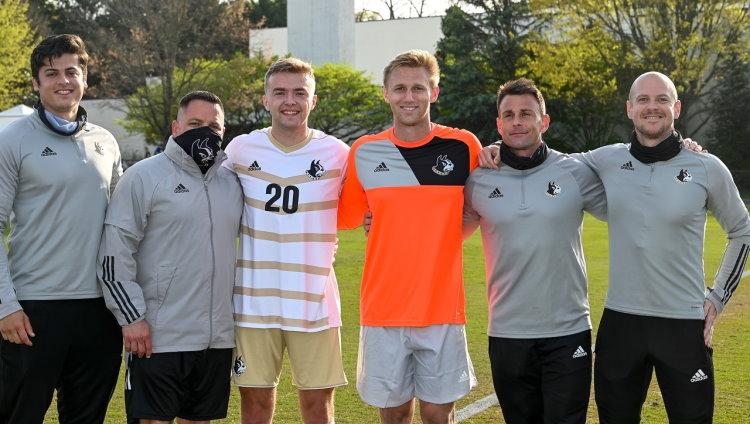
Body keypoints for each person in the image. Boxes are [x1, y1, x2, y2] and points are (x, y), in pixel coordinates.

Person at [481, 71, 750, 422]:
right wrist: (497, 148)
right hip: (621, 325)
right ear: (629, 108)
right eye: (643, 100)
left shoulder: (706, 166)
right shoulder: (603, 160)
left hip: (684, 324)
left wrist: (716, 298)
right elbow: (542, 158)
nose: (651, 107)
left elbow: (742, 231)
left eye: (661, 100)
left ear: (677, 108)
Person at [337, 50, 480, 424]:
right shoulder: (365, 151)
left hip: (442, 307)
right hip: (384, 308)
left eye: (418, 87)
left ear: (434, 92)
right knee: (395, 415)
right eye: (399, 88)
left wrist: (442, 237)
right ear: (386, 93)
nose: (409, 96)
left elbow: (479, 210)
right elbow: (350, 215)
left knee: (437, 415)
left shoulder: (464, 147)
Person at [462, 78, 606, 424]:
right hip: (508, 333)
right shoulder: (479, 179)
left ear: (544, 121)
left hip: (567, 329)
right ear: (498, 124)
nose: (517, 121)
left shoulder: (575, 171)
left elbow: (632, 207)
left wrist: (682, 149)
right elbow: (444, 233)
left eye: (527, 113)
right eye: (508, 115)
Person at [96, 91, 243, 424]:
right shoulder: (144, 176)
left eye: (213, 126)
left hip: (217, 339)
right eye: (195, 123)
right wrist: (131, 317)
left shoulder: (231, 181)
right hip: (157, 337)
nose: (204, 132)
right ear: (176, 127)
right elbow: (114, 253)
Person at [0, 34, 123, 423]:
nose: (63, 81)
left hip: (100, 311)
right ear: (36, 83)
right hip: (32, 311)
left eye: (72, 71)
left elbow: (124, 228)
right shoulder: (11, 141)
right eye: (51, 73)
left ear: (85, 78)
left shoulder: (106, 141)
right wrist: (5, 306)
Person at [224, 58, 349, 424]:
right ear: (265, 100)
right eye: (280, 92)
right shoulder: (240, 150)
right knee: (256, 407)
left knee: (317, 407)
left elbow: (372, 203)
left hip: (313, 301)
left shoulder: (339, 154)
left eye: (299, 93)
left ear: (314, 101)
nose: (289, 101)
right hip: (253, 301)